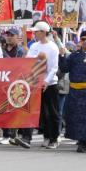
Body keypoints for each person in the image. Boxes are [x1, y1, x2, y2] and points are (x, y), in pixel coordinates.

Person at [14, 21, 61, 149]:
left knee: (52, 113)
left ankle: (54, 138)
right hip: (35, 82)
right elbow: (30, 60)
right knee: (35, 111)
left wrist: (46, 81)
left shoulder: (52, 47)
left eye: (37, 31)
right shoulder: (34, 45)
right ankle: (29, 137)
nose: (34, 33)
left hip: (49, 84)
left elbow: (53, 67)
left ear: (44, 32)